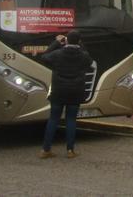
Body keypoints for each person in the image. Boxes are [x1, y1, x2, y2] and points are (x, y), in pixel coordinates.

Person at [39, 31, 93, 159]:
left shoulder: (57, 54)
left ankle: (46, 150)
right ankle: (70, 150)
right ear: (79, 41)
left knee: (53, 119)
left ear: (67, 40)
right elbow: (89, 61)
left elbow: (44, 57)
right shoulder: (83, 56)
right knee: (71, 119)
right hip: (75, 91)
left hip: (58, 91)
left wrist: (56, 43)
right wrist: (81, 44)